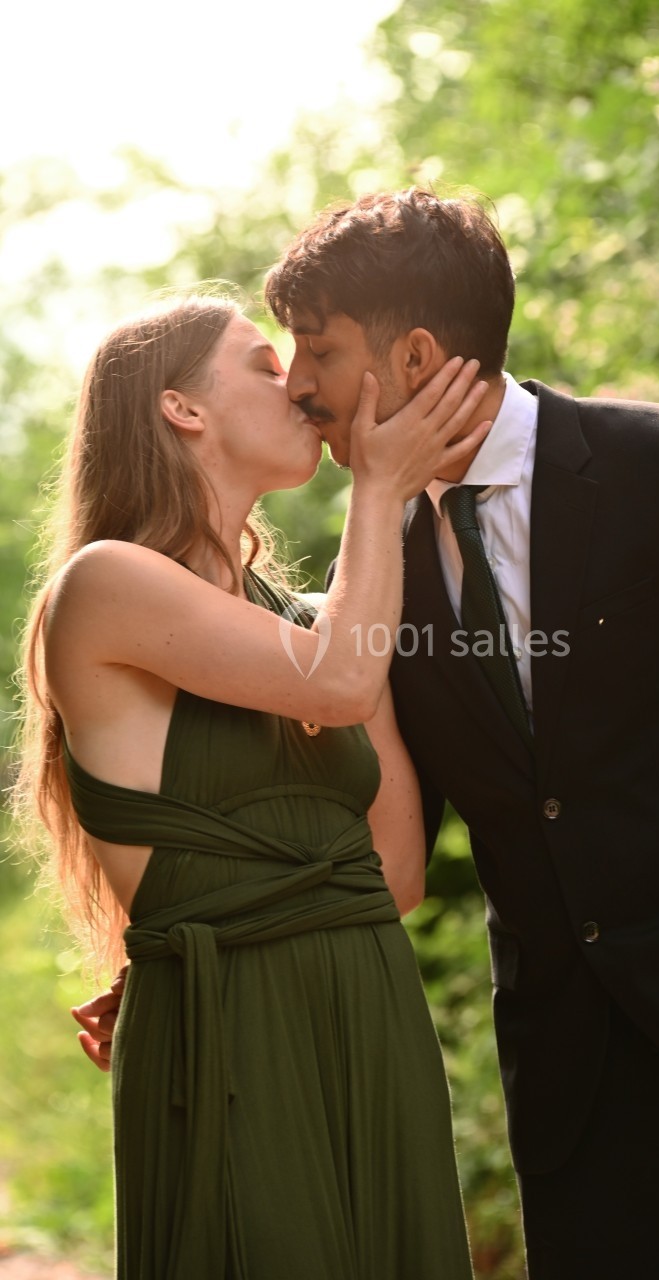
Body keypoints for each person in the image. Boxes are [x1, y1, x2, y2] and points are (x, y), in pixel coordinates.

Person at [78, 190, 659, 1278]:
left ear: (419, 354)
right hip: (573, 1067)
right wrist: (184, 945)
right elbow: (361, 825)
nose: (300, 383)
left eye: (319, 348)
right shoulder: (375, 565)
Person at [14, 290, 492, 1279]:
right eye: (265, 365)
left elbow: (392, 875)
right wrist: (380, 494)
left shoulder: (322, 621)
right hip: (230, 1025)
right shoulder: (106, 584)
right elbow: (342, 681)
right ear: (183, 408)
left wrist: (364, 597)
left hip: (368, 1009)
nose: (303, 384)